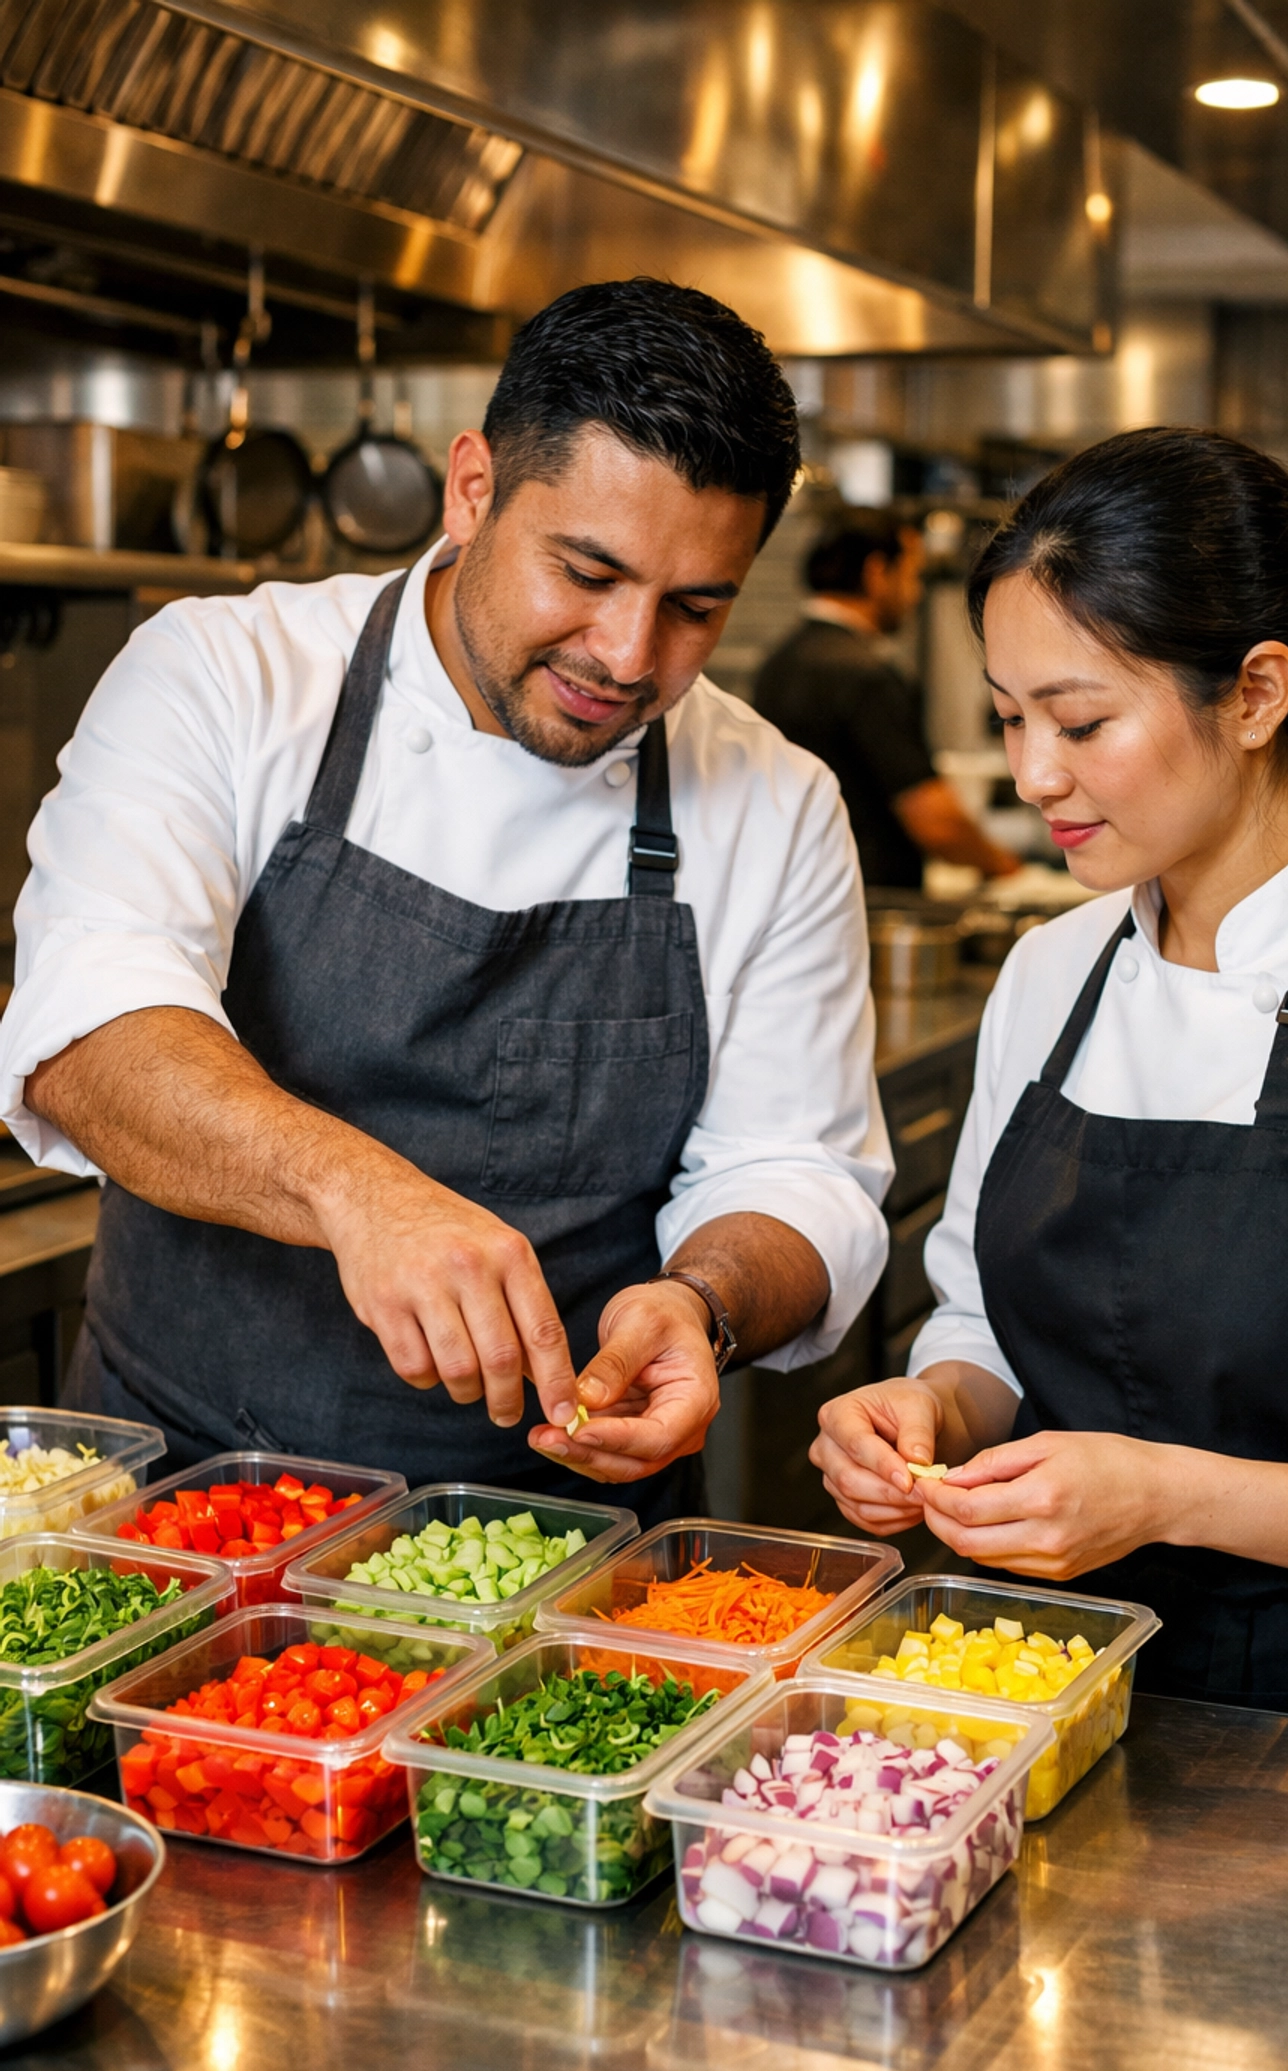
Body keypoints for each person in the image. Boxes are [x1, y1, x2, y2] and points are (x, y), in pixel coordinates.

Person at [0, 278, 893, 1517]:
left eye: (696, 608)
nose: (628, 656)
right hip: (184, 1500)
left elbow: (798, 1169)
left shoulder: (775, 802)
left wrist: (704, 1304)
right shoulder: (226, 675)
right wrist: (355, 1191)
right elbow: (87, 1027)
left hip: (557, 1532)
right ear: (472, 489)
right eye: (586, 571)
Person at [811, 425, 1288, 1746]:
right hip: (1042, 1715)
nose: (1034, 776)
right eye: (1010, 718)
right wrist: (934, 1410)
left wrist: (1166, 1497)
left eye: (1081, 721)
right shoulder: (1050, 974)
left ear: (1256, 694)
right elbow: (981, 1319)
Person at [753, 507, 1016, 890]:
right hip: (868, 896)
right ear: (877, 573)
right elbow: (934, 821)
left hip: (797, 886)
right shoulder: (866, 675)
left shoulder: (778, 663)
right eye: (912, 575)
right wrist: (1006, 867)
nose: (916, 593)